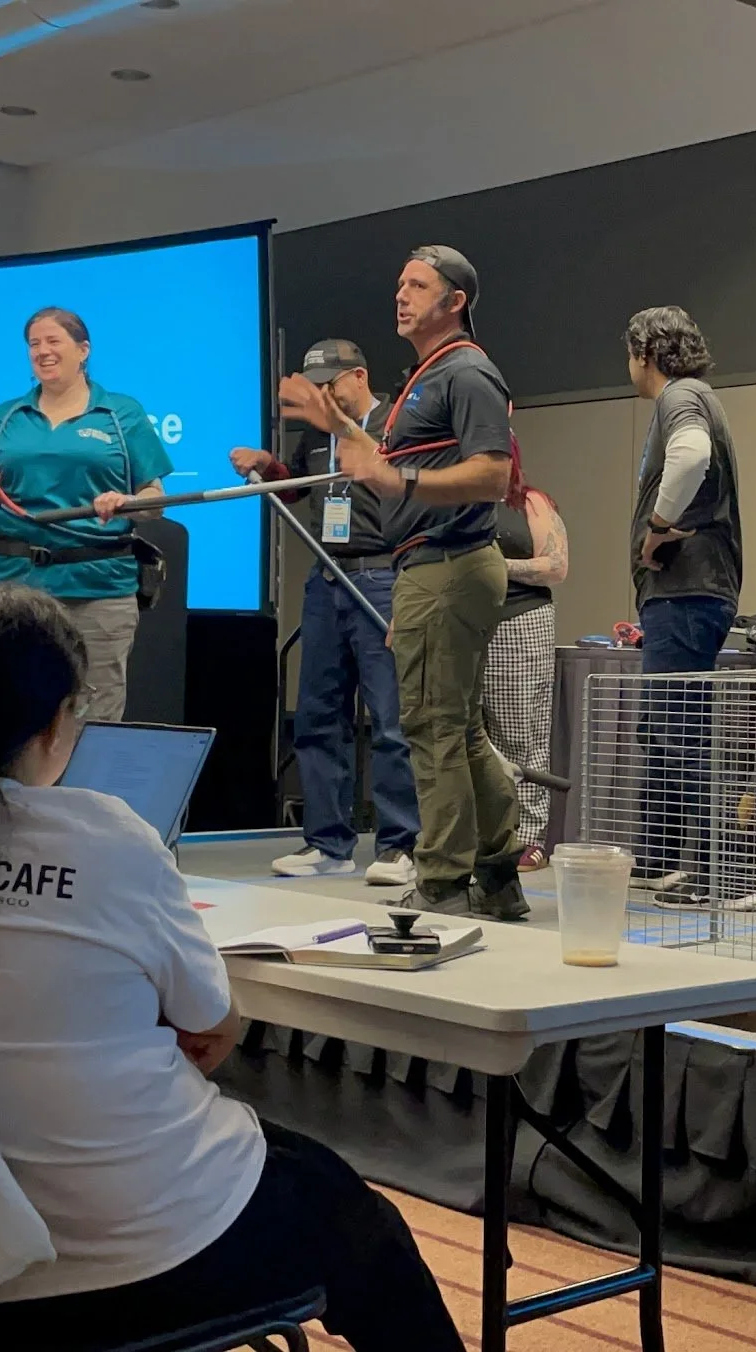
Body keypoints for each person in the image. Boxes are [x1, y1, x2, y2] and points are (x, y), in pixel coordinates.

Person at [0, 583, 455, 1352]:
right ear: (56, 723)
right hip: (140, 1250)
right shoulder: (110, 838)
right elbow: (209, 1029)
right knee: (360, 1227)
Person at [279, 245, 525, 921]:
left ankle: (444, 878)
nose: (401, 294)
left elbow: (492, 475)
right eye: (400, 283)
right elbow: (383, 457)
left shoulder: (466, 372)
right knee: (458, 729)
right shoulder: (430, 375)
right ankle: (498, 871)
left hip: (446, 562)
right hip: (428, 568)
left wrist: (399, 481)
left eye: (418, 285)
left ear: (455, 302)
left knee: (430, 727)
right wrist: (334, 425)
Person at [231, 339, 418, 886]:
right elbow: (300, 488)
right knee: (317, 715)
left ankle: (399, 845)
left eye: (331, 384)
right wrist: (270, 467)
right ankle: (328, 842)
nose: (323, 395)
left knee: (389, 718)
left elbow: (405, 491)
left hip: (382, 576)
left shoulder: (396, 424)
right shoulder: (317, 435)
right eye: (316, 387)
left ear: (359, 377)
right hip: (326, 579)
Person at [0, 305, 171, 723]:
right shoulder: (4, 418)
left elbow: (156, 500)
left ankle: (87, 791)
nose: (42, 351)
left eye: (53, 341)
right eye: (34, 344)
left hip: (97, 587)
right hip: (13, 587)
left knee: (95, 714)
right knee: (12, 710)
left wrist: (127, 503)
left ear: (83, 350)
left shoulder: (121, 413)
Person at [624, 306, 744, 897]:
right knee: (670, 726)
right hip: (690, 594)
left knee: (678, 730)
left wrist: (658, 524)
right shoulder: (697, 396)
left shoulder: (681, 399)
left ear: (645, 355)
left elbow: (692, 454)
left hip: (686, 592)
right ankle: (663, 858)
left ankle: (717, 871)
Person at [483, 480, 568, 869]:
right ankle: (482, 835)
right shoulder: (455, 500)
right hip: (464, 620)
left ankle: (528, 838)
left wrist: (496, 565)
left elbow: (556, 565)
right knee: (466, 735)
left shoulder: (530, 501)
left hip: (519, 620)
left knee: (518, 732)